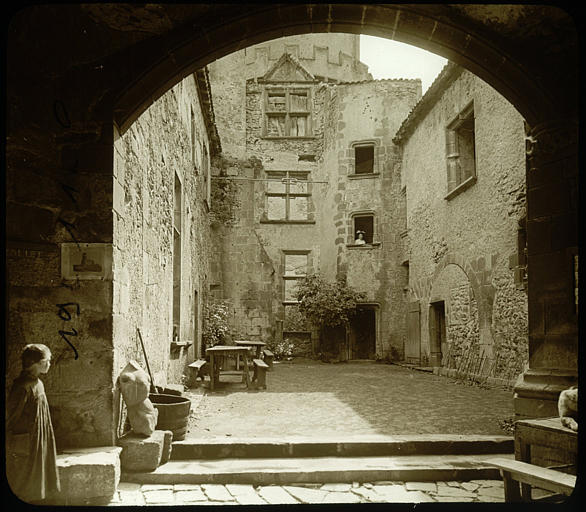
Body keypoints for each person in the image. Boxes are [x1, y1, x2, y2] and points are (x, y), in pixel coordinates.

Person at [6, 344, 60, 503]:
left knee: (40, 474)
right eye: (47, 361)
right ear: (36, 363)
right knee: (25, 477)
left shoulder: (38, 383)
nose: (49, 364)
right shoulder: (21, 387)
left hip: (39, 435)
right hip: (27, 440)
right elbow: (11, 417)